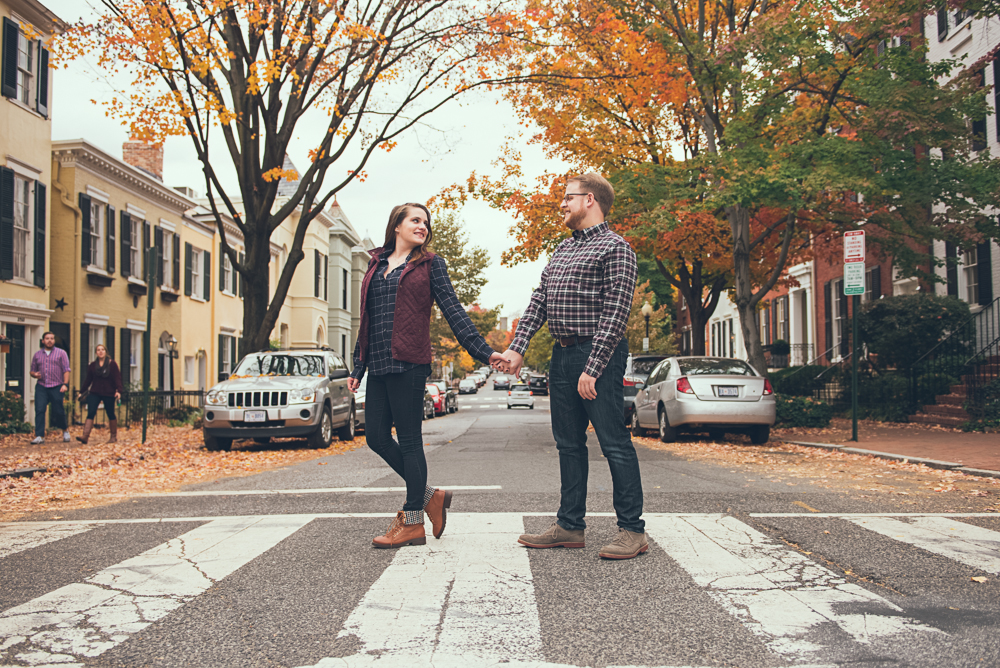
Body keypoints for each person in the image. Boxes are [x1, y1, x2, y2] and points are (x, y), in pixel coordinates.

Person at [499, 173, 647, 560]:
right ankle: (569, 525)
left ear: (591, 201)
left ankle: (632, 530)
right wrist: (518, 348)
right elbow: (539, 302)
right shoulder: (562, 251)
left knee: (614, 442)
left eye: (568, 198)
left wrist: (593, 366)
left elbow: (616, 314)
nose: (562, 204)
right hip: (562, 357)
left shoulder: (617, 249)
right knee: (568, 444)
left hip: (600, 355)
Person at [349, 202, 507, 549]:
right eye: (415, 220)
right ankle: (430, 496)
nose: (422, 226)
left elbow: (453, 310)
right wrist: (358, 366)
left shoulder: (430, 264)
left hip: (409, 362)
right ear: (397, 226)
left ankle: (412, 521)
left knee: (408, 441)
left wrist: (485, 351)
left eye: (425, 222)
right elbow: (367, 319)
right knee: (375, 436)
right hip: (377, 363)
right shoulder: (375, 266)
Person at [29, 331, 72, 445]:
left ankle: (65, 430)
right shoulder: (37, 355)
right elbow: (32, 370)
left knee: (58, 411)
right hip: (42, 386)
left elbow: (66, 370)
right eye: (47, 338)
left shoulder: (61, 353)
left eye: (52, 338)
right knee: (39, 410)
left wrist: (65, 384)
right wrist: (34, 374)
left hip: (56, 386)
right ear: (43, 341)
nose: (49, 340)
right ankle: (39, 435)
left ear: (54, 341)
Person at [77, 344, 123, 444]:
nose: (100, 351)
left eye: (102, 350)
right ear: (96, 353)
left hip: (109, 392)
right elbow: (88, 380)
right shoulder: (92, 366)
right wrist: (81, 392)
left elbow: (117, 378)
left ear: (106, 352)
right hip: (95, 392)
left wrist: (118, 391)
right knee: (91, 412)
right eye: (98, 350)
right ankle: (85, 436)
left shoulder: (112, 364)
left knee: (110, 413)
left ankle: (113, 436)